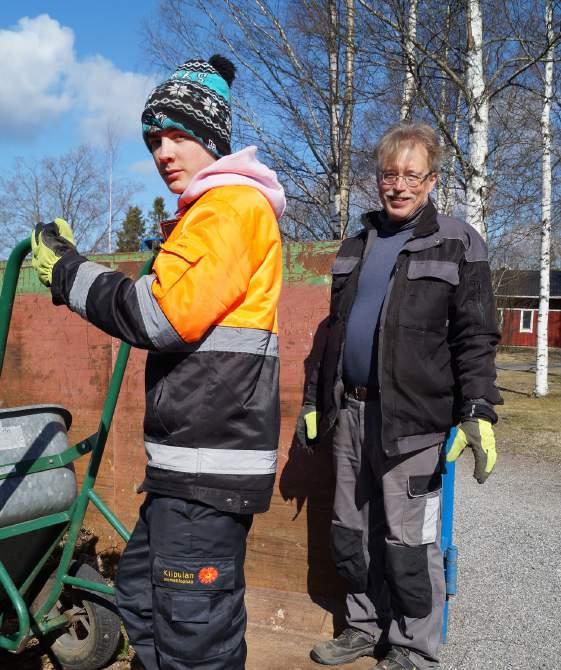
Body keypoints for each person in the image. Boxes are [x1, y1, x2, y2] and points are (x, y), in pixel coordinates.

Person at [31, 55, 285, 670]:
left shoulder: (228, 208)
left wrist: (67, 271)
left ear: (212, 138)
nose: (163, 152)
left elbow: (159, 316)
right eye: (153, 139)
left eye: (177, 135)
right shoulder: (207, 213)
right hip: (187, 471)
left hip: (207, 475)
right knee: (146, 602)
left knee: (193, 640)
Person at [297, 122, 501, 670]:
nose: (399, 185)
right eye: (390, 174)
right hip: (352, 414)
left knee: (411, 542)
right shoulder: (355, 244)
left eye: (412, 175)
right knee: (351, 530)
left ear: (432, 180)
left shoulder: (459, 241)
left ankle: (414, 646)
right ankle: (364, 627)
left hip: (416, 420)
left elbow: (476, 335)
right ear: (378, 179)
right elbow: (332, 332)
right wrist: (315, 402)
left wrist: (478, 409)